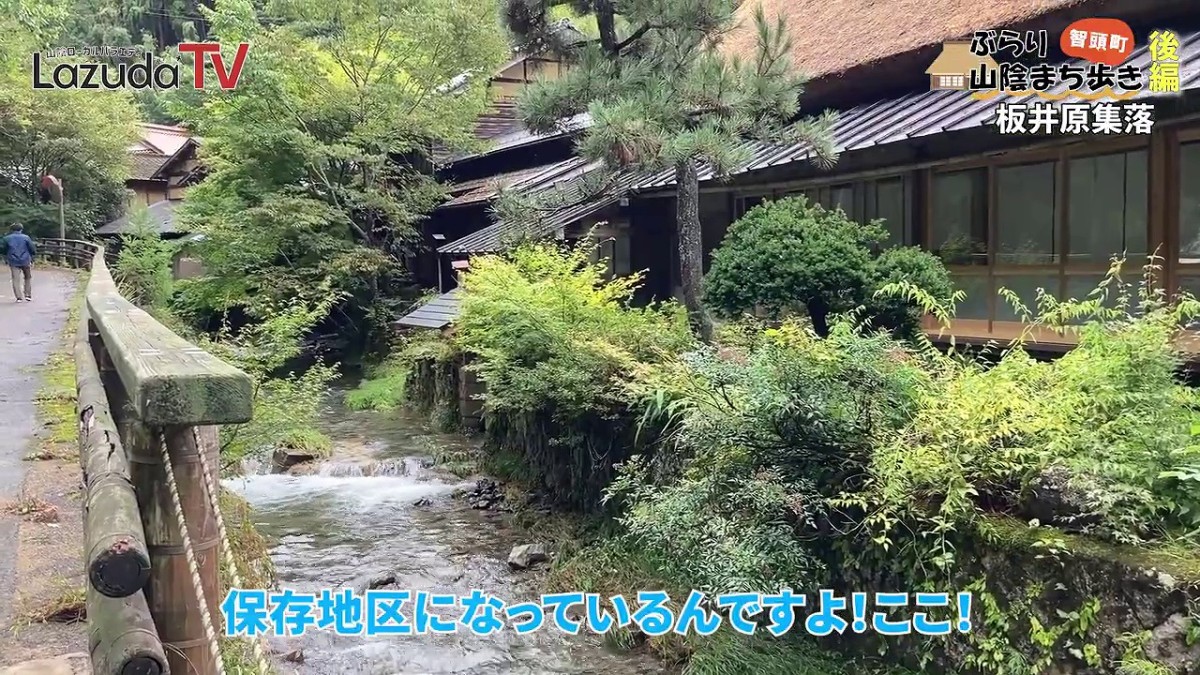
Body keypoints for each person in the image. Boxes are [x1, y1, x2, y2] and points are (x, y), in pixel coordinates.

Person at [1, 223, 36, 302]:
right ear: (21, 229)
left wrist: (6, 255)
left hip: (13, 260)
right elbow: (32, 248)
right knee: (27, 277)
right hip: (25, 260)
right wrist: (33, 256)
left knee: (15, 279)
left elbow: (2, 248)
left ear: (12, 230)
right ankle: (28, 295)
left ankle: (18, 297)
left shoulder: (7, 238)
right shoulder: (26, 237)